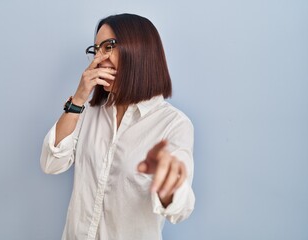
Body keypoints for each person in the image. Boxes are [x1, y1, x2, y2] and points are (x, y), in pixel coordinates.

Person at [40, 13, 195, 240]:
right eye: (96, 50)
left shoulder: (174, 125)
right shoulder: (88, 112)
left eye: (108, 47)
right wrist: (79, 98)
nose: (99, 59)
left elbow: (180, 209)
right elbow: (51, 163)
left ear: (141, 50)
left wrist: (168, 185)